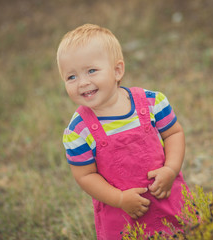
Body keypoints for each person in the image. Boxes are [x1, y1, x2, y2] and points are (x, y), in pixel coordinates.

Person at [57, 23, 188, 240]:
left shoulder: (152, 101)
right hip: (122, 215)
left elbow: (173, 133)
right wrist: (119, 199)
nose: (83, 82)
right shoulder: (78, 131)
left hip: (167, 199)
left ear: (117, 71)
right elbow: (85, 175)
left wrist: (171, 170)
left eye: (91, 70)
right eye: (71, 77)